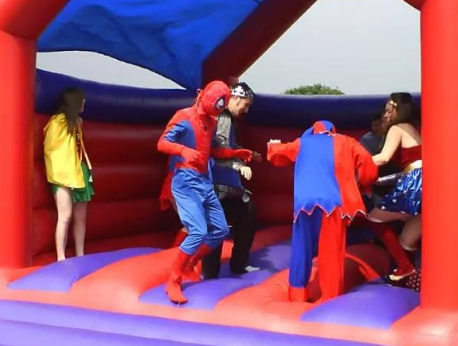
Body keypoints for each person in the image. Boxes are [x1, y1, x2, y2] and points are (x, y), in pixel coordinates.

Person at [157, 81, 253, 305]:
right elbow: (162, 143)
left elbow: (212, 151)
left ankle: (191, 263)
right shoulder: (184, 116)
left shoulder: (211, 121)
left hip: (203, 181)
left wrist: (234, 152)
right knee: (198, 231)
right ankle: (174, 280)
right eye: (219, 102)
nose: (220, 109)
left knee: (219, 231)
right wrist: (183, 150)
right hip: (185, 181)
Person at [267, 120, 378, 303]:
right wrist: (362, 182)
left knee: (301, 248)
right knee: (332, 252)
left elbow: (278, 153)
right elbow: (367, 163)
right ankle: (330, 297)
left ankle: (297, 295)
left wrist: (272, 145)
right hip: (332, 204)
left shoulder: (303, 142)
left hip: (304, 204)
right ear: (331, 130)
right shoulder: (346, 141)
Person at [202, 81, 263, 279]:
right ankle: (211, 272)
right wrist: (239, 165)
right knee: (219, 225)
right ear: (235, 98)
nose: (245, 110)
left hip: (222, 184)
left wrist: (246, 153)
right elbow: (218, 151)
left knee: (245, 214)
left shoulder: (226, 118)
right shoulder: (223, 117)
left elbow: (228, 145)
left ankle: (233, 266)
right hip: (215, 183)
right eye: (244, 105)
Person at [367, 93, 423, 283]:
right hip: (430, 184)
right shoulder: (416, 129)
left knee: (374, 218)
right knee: (407, 241)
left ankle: (405, 266)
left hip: (415, 182)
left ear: (397, 111)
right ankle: (408, 279)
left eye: (388, 111)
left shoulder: (397, 128)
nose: (385, 115)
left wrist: (355, 161)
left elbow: (383, 157)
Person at [43, 87, 94, 261]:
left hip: (79, 172)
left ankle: (80, 254)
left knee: (81, 217)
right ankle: (61, 257)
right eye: (82, 100)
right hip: (63, 173)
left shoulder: (78, 122)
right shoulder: (57, 123)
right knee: (64, 216)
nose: (85, 102)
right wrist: (62, 174)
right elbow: (52, 150)